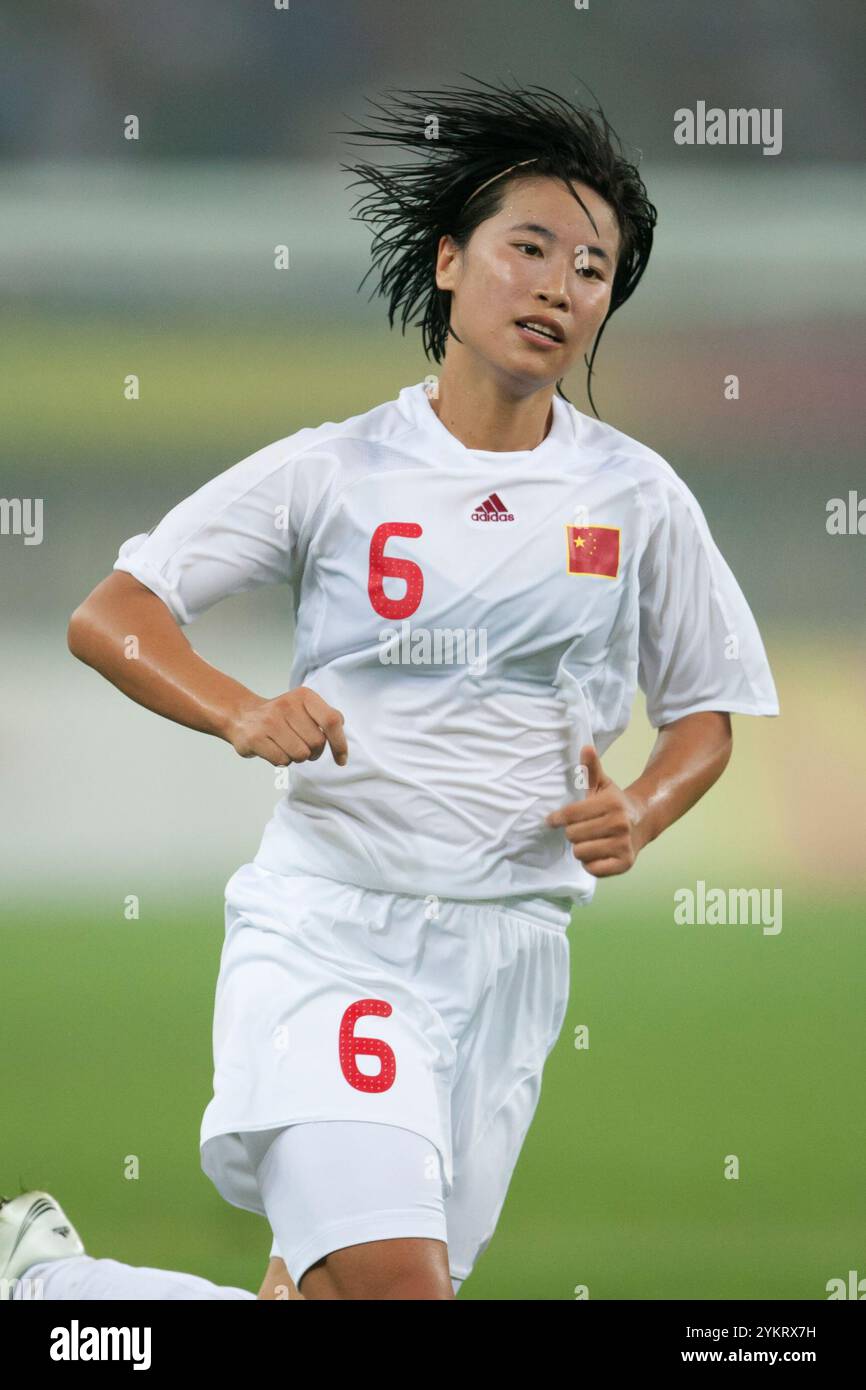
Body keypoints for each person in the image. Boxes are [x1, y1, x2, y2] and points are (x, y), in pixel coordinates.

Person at [7, 78, 779, 1301]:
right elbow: (116, 614)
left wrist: (641, 807)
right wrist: (243, 709)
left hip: (513, 958)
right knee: (391, 1291)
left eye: (591, 268)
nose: (557, 285)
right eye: (527, 247)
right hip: (338, 933)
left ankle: (55, 1296)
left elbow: (706, 711)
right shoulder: (338, 468)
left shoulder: (635, 496)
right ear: (447, 264)